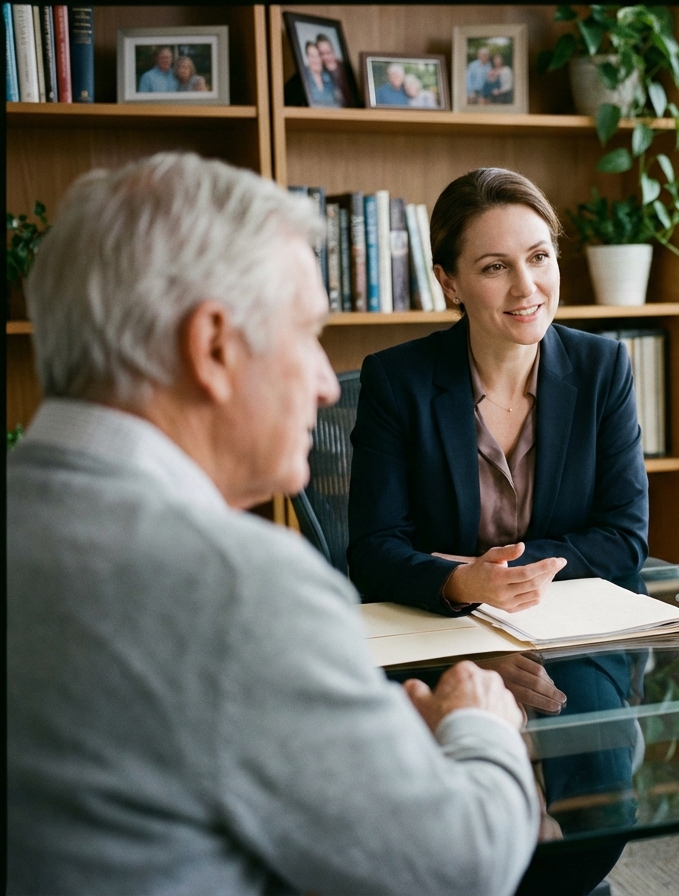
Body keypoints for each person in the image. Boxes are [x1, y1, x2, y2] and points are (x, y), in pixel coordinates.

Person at [7, 152, 540, 895]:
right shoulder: (239, 586)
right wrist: (477, 722)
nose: (326, 384)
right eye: (306, 333)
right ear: (213, 347)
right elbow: (466, 865)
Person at [346, 166, 650, 619]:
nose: (526, 287)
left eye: (539, 257)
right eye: (495, 266)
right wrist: (460, 583)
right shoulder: (396, 380)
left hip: (569, 624)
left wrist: (498, 574)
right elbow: (373, 551)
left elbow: (624, 538)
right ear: (449, 283)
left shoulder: (602, 368)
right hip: (440, 630)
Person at [301, 40, 339, 107]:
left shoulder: (329, 76)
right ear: (308, 58)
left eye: (318, 56)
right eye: (312, 56)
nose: (316, 60)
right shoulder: (303, 77)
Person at [316, 33, 350, 106]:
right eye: (321, 54)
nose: (326, 57)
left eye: (328, 53)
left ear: (333, 51)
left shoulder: (344, 67)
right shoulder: (318, 71)